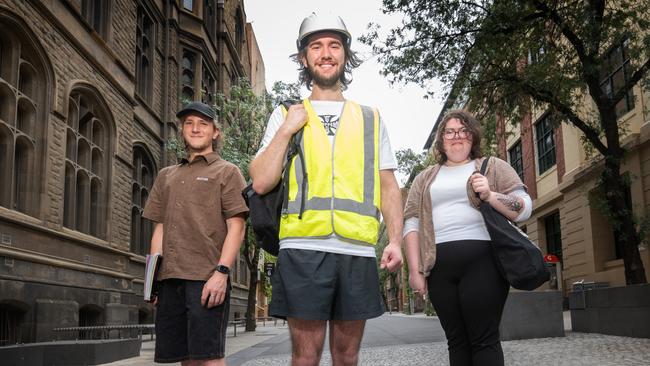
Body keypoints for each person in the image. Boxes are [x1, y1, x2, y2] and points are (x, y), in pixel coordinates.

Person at [249, 13, 403, 366]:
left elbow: (388, 184)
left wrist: (394, 240)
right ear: (304, 58)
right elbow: (260, 181)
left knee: (347, 356)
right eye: (316, 46)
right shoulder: (285, 113)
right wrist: (286, 130)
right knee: (305, 356)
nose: (326, 53)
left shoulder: (370, 118)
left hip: (357, 251)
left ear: (345, 55)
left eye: (334, 45)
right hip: (302, 248)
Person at [403, 109, 532, 366]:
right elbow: (411, 222)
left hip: (484, 263)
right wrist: (415, 269)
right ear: (441, 140)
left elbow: (525, 208)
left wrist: (490, 195)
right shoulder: (424, 178)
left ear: (472, 136)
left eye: (463, 131)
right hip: (438, 267)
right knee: (456, 340)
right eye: (449, 132)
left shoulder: (493, 166)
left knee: (484, 338)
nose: (456, 136)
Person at [143, 101, 248, 365]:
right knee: (185, 359)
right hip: (169, 280)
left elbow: (237, 226)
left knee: (209, 359)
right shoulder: (166, 175)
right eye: (189, 123)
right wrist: (153, 280)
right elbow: (160, 228)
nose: (195, 128)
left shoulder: (227, 171)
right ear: (182, 130)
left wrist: (222, 273)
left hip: (205, 278)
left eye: (203, 123)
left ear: (215, 132)